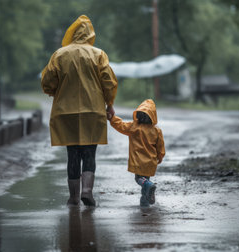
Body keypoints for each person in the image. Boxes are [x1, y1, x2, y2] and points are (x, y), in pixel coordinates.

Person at [41, 15, 118, 207]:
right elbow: (109, 82)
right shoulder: (98, 54)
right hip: (93, 111)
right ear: (90, 34)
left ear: (72, 33)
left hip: (66, 112)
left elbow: (47, 80)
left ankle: (74, 197)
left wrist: (53, 92)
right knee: (89, 153)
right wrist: (109, 103)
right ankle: (87, 191)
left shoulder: (59, 54)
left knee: (72, 153)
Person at [107, 99, 165, 207]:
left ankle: (148, 188)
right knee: (146, 179)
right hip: (151, 162)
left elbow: (120, 125)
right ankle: (145, 200)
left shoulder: (134, 127)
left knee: (139, 179)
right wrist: (160, 157)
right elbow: (160, 146)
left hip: (138, 161)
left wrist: (112, 119)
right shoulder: (156, 131)